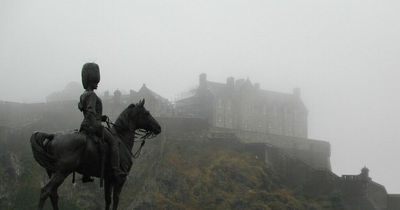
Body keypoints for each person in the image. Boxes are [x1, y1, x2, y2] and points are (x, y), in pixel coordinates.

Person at [78, 62, 123, 183]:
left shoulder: (84, 94)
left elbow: (87, 112)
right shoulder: (92, 95)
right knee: (113, 142)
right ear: (92, 80)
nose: (98, 84)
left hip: (84, 125)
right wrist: (97, 123)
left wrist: (101, 117)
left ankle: (86, 175)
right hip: (93, 126)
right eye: (96, 81)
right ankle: (116, 170)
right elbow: (90, 112)